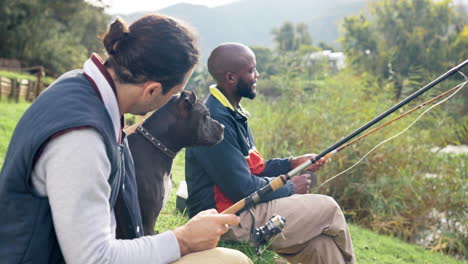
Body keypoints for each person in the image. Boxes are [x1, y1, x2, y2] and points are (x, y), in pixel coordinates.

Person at [0, 16, 251, 264]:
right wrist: (183, 239)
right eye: (173, 94)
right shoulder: (82, 139)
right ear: (152, 90)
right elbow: (94, 258)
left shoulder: (80, 87)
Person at [185, 43, 355, 264]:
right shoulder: (215, 121)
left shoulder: (232, 112)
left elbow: (256, 169)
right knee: (329, 209)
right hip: (227, 219)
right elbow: (242, 188)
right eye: (251, 70)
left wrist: (292, 164)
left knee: (321, 246)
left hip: (245, 210)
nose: (257, 75)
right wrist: (292, 187)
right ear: (230, 78)